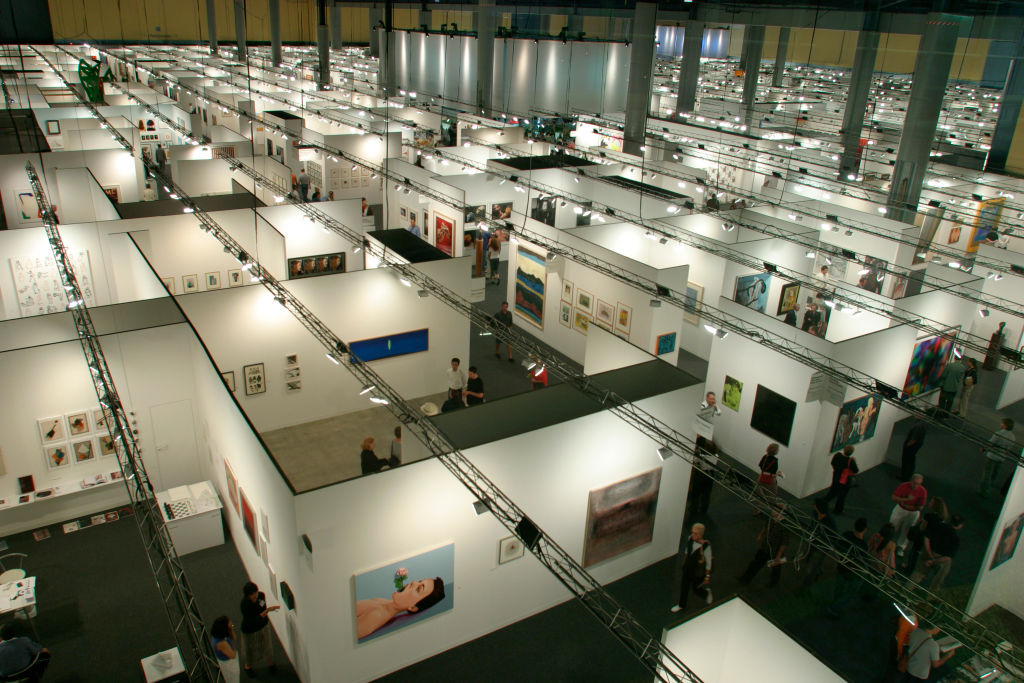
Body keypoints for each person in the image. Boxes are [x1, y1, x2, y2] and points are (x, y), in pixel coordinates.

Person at [355, 576, 446, 639]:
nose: (413, 582)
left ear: (413, 607)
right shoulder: (382, 602)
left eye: (418, 589)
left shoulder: (376, 616)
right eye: (419, 581)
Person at [826, 517, 869, 618]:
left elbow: (837, 546)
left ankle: (834, 604)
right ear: (865, 530)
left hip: (841, 567)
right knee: (850, 592)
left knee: (839, 587)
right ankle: (835, 607)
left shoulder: (847, 535)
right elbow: (862, 562)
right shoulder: (863, 546)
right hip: (852, 571)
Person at [738, 505, 788, 587]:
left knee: (775, 568)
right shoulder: (771, 519)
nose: (773, 511)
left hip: (775, 551)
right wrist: (761, 535)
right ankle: (745, 578)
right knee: (756, 563)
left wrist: (779, 555)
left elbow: (784, 542)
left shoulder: (785, 526)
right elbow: (766, 527)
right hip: (765, 547)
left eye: (775, 510)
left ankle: (773, 583)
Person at [239, 581, 280, 678]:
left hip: (262, 625)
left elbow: (262, 607)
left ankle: (271, 664)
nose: (255, 596)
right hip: (250, 629)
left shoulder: (261, 596)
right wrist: (267, 611)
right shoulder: (245, 604)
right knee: (250, 649)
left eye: (256, 593)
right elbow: (254, 619)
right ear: (248, 595)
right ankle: (248, 667)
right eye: (252, 594)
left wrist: (265, 611)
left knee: (267, 645)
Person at [911, 514, 962, 589]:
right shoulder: (955, 538)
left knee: (918, 573)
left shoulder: (937, 526)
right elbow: (948, 557)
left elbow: (926, 538)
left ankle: (906, 590)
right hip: (941, 558)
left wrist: (929, 553)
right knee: (939, 577)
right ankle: (931, 596)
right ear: (960, 526)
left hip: (928, 552)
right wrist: (933, 561)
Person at [670, 523, 713, 612]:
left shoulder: (706, 546)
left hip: (697, 572)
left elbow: (709, 563)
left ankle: (706, 593)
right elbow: (687, 551)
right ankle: (681, 605)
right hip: (687, 569)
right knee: (684, 587)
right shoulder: (690, 538)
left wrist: (707, 576)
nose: (693, 535)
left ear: (700, 534)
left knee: (696, 589)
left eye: (695, 533)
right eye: (692, 532)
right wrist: (684, 563)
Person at [902, 497, 949, 574]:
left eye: (931, 503)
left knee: (914, 552)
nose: (929, 504)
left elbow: (922, 527)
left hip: (922, 537)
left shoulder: (929, 515)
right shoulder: (942, 518)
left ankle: (909, 568)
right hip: (931, 539)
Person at [799, 498, 836, 591]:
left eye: (814, 505)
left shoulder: (829, 523)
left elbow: (832, 538)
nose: (813, 506)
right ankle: (816, 571)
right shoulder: (816, 514)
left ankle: (805, 587)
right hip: (813, 543)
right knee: (810, 560)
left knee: (812, 567)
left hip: (821, 547)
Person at [890, 474, 928, 553]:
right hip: (900, 509)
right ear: (911, 481)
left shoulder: (923, 491)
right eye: (914, 483)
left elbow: (921, 507)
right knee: (892, 525)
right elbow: (893, 497)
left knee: (906, 530)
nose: (915, 485)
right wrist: (906, 499)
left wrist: (910, 507)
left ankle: (901, 547)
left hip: (912, 513)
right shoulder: (904, 486)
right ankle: (888, 542)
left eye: (918, 484)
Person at [981, 417, 1016, 495]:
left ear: (1005, 425)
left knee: (987, 473)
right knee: (995, 473)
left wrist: (984, 448)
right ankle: (991, 484)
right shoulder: (1013, 437)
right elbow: (1009, 448)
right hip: (1001, 457)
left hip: (992, 456)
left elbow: (991, 442)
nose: (1001, 424)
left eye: (1002, 423)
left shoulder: (999, 433)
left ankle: (984, 490)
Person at [686, 436, 717, 521]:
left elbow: (695, 462)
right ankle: (703, 510)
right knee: (706, 495)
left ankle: (693, 509)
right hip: (709, 478)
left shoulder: (700, 455)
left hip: (700, 477)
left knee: (695, 494)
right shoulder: (714, 456)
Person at [824, 445, 858, 514]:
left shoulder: (837, 455)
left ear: (844, 449)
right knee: (841, 497)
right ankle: (837, 510)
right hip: (845, 482)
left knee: (832, 493)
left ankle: (822, 504)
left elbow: (832, 463)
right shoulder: (850, 461)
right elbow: (855, 470)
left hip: (836, 478)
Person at [210, 615, 240, 683]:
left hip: (226, 657)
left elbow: (233, 637)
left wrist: (231, 630)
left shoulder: (218, 634)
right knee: (233, 680)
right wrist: (234, 646)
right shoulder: (221, 643)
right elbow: (233, 655)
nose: (231, 624)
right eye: (229, 623)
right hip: (228, 663)